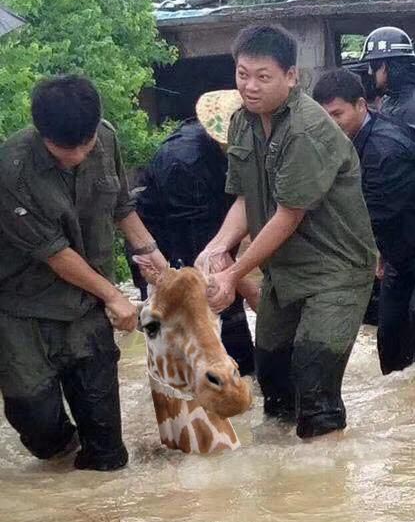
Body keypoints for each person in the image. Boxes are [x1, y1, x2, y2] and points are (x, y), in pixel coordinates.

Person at [193, 25, 377, 440]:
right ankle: (281, 486)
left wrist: (232, 275)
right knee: (274, 385)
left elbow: (287, 215)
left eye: (263, 76)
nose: (250, 86)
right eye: (242, 74)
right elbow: (245, 199)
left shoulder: (307, 130)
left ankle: (322, 492)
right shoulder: (243, 122)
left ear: (291, 76)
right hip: (285, 272)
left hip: (336, 274)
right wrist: (218, 247)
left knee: (315, 388)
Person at [0, 75, 166, 471]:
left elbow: (120, 204)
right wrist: (113, 295)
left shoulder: (104, 138)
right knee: (37, 421)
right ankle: (61, 459)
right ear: (42, 133)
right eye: (62, 149)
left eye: (84, 145)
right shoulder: (12, 170)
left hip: (87, 304)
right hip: (24, 308)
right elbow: (54, 253)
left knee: (107, 450)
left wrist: (150, 251)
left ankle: (99, 512)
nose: (76, 155)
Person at [313, 68, 415, 374]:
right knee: (388, 332)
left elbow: (370, 216)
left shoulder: (385, 150)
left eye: (337, 114)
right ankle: (402, 402)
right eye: (324, 118)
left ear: (361, 105)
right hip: (401, 251)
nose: (330, 125)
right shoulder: (351, 139)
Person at [131, 91, 257, 376]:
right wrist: (249, 288)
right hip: (166, 252)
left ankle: (245, 386)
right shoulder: (184, 162)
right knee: (188, 332)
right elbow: (199, 251)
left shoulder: (226, 154)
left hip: (207, 236)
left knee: (229, 313)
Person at [362, 26, 415, 167]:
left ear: (385, 66)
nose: (370, 72)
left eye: (373, 65)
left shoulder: (414, 106)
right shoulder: (393, 99)